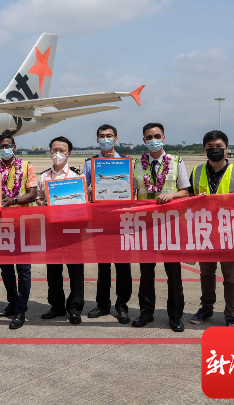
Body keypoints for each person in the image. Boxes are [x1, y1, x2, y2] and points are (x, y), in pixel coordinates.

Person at [188, 130, 234, 327]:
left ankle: (231, 315)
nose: (214, 150)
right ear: (204, 149)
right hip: (205, 233)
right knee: (206, 274)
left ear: (227, 149)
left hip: (230, 233)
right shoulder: (197, 172)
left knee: (230, 276)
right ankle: (206, 308)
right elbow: (187, 201)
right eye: (210, 147)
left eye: (219, 147)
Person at [132, 123, 190, 332]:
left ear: (164, 138)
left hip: (169, 224)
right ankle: (146, 312)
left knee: (173, 272)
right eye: (149, 137)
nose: (153, 140)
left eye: (157, 136)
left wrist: (171, 195)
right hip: (145, 224)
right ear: (144, 140)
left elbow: (186, 191)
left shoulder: (176, 161)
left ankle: (175, 315)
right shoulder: (136, 164)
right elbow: (131, 192)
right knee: (146, 272)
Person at [82, 124, 133, 324]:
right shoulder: (90, 163)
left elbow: (133, 189)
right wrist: (89, 192)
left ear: (116, 138)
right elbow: (83, 190)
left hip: (121, 220)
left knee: (123, 266)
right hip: (100, 220)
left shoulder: (126, 162)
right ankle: (102, 304)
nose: (106, 139)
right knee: (103, 265)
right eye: (102, 136)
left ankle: (122, 305)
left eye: (109, 135)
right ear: (97, 140)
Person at [0, 133, 38, 330]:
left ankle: (21, 310)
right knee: (6, 268)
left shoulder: (27, 167)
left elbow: (33, 194)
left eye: (8, 145)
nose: (5, 149)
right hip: (2, 226)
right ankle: (12, 303)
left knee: (23, 269)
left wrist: (13, 201)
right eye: (1, 146)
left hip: (23, 225)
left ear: (14, 147)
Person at [38, 136, 85, 325]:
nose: (58, 154)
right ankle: (56, 305)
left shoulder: (77, 176)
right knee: (53, 270)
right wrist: (42, 203)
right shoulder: (44, 176)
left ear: (69, 153)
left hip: (73, 229)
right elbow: (37, 198)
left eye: (62, 151)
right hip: (52, 229)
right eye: (54, 150)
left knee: (76, 270)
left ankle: (75, 308)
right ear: (50, 152)